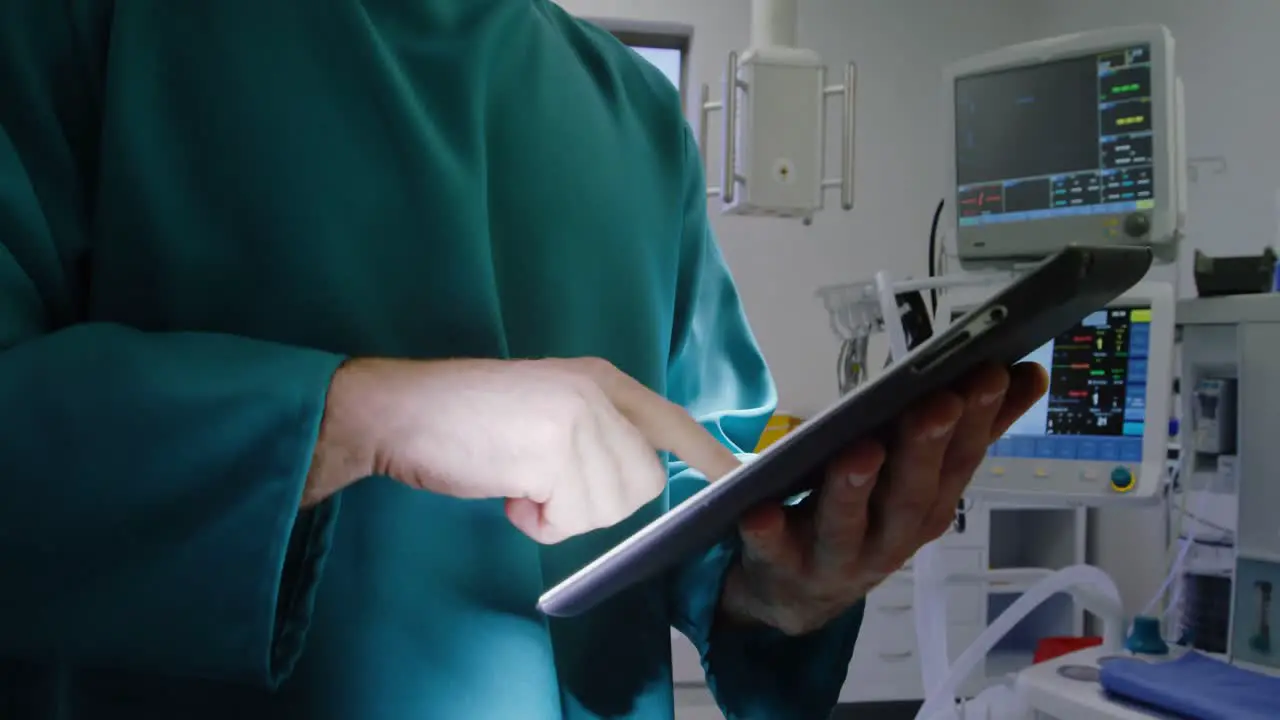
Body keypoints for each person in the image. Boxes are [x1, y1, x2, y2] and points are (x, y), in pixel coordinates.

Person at [0, 1, 1047, 718]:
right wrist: (360, 418)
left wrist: (783, 588)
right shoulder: (85, 27)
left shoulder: (631, 115)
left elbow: (695, 497)